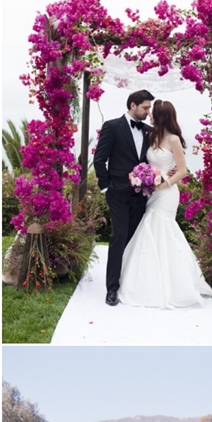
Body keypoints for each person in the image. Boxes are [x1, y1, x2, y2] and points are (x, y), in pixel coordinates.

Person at [119, 99, 212, 309]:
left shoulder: (173, 140)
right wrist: (144, 177)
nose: (150, 114)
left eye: (153, 112)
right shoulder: (150, 135)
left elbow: (182, 170)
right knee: (150, 229)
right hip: (151, 192)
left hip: (167, 193)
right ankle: (147, 280)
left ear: (161, 116)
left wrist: (165, 183)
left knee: (159, 228)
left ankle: (173, 285)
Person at [92, 88, 154, 305]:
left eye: (149, 108)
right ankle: (112, 288)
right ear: (133, 105)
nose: (148, 111)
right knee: (119, 237)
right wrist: (106, 187)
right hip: (117, 193)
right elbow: (100, 160)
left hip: (141, 195)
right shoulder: (112, 126)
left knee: (134, 240)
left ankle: (131, 283)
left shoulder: (148, 131)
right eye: (145, 107)